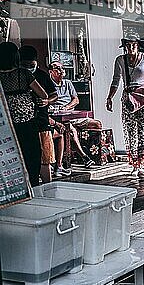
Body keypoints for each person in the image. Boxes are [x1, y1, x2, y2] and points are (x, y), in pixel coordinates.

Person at [0, 42, 48, 187]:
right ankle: (32, 185)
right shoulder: (24, 74)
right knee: (31, 155)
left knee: (9, 157)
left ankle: (14, 188)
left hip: (6, 125)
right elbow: (43, 94)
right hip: (27, 122)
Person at [106, 33, 144, 180]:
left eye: (134, 45)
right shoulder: (120, 60)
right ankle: (134, 164)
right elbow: (116, 80)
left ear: (138, 45)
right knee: (130, 130)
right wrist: (110, 97)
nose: (131, 48)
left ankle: (143, 164)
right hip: (128, 97)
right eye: (128, 45)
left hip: (143, 98)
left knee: (143, 130)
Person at [19, 45, 59, 183]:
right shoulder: (18, 75)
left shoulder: (42, 75)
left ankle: (47, 187)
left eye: (31, 64)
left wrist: (47, 101)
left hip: (42, 121)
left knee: (45, 159)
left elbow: (54, 95)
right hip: (24, 124)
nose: (28, 67)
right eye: (24, 65)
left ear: (36, 62)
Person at [48, 61, 98, 169]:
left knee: (96, 124)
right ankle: (84, 157)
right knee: (70, 130)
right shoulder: (48, 84)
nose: (61, 70)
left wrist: (67, 107)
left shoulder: (68, 83)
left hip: (72, 115)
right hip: (59, 117)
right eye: (57, 68)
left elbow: (76, 100)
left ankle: (98, 155)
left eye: (62, 68)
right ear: (51, 72)